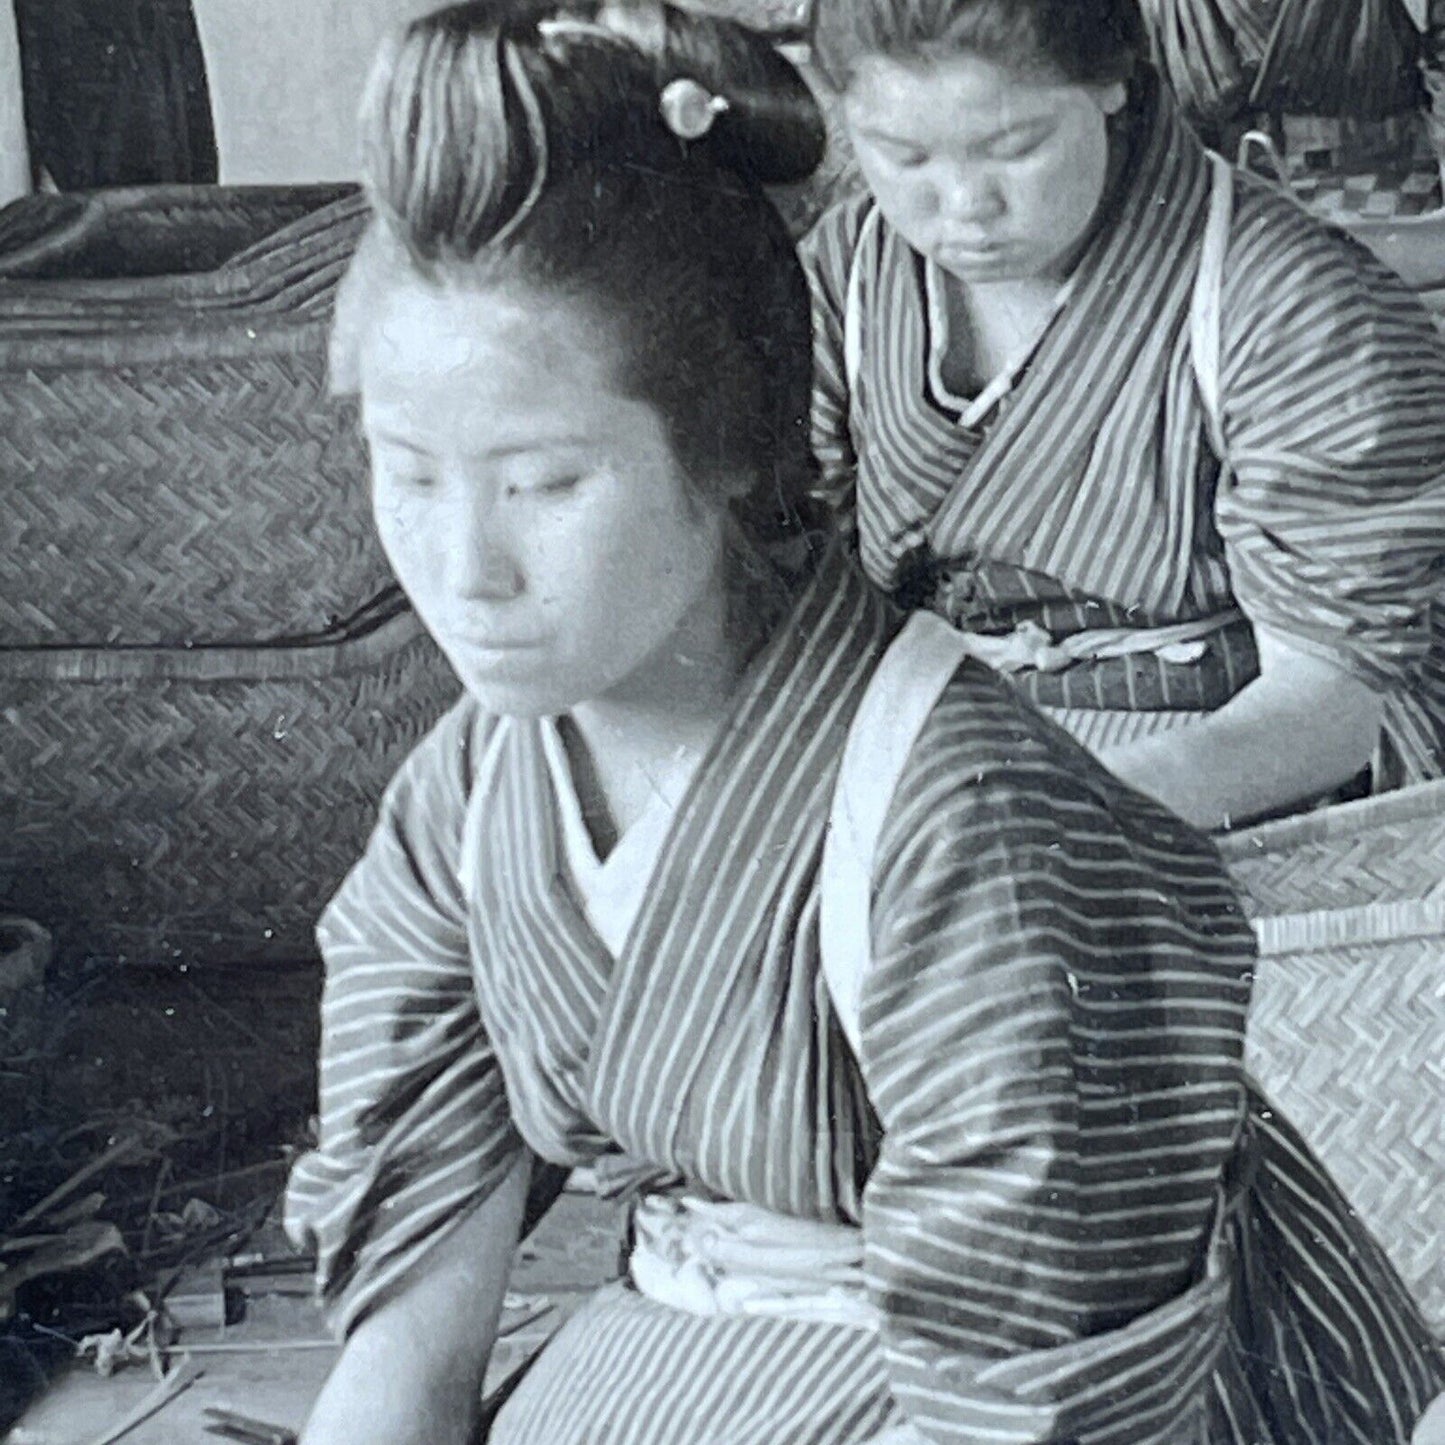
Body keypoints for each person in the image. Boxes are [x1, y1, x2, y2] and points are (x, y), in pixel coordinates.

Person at [285, 4, 1445, 1442]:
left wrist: (1053, 793)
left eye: (542, 485)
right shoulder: (461, 797)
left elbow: (1031, 1386)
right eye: (408, 476)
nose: (466, 572)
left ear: (722, 450)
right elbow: (408, 1342)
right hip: (672, 1343)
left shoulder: (983, 834)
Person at [802, 0, 1445, 830]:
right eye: (902, 155)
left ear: (1110, 83)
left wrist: (1054, 823)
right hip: (927, 741)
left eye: (1015, 147)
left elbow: (1326, 706)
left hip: (1231, 767)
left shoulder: (1297, 301)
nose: (963, 205)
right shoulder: (846, 271)